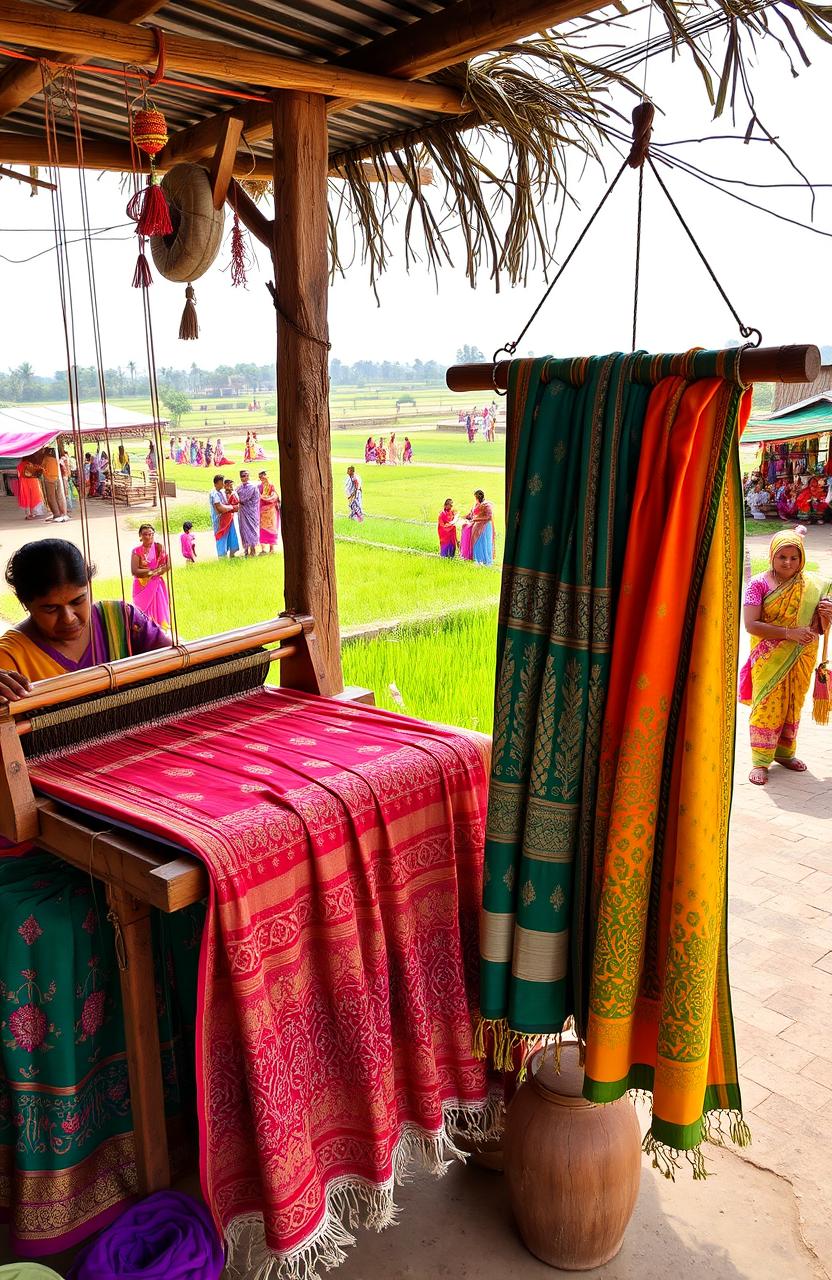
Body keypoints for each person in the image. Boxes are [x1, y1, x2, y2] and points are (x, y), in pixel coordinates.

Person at [0, 540, 201, 1257]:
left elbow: (188, 675)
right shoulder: (10, 662)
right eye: (47, 610)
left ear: (94, 586)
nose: (67, 619)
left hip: (132, 791)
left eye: (76, 601)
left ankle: (188, 1104)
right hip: (50, 820)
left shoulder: (122, 624)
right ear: (23, 605)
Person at [740, 528, 832, 786]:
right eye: (782, 557)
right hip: (769, 658)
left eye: (794, 557)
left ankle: (784, 753)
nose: (788, 563)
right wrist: (788, 633)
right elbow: (751, 625)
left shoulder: (812, 584)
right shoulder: (758, 584)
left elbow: (818, 626)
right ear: (772, 556)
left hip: (801, 656)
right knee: (767, 705)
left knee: (793, 704)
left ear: (801, 558)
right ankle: (760, 760)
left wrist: (826, 612)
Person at [131, 523, 171, 631]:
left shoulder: (159, 548)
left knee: (159, 609)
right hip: (141, 585)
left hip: (156, 584)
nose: (148, 537)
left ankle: (160, 631)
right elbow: (134, 571)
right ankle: (145, 632)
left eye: (151, 534)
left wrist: (160, 571)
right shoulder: (136, 551)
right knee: (142, 611)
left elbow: (168, 564)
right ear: (140, 536)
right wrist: (151, 572)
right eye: (145, 534)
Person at [464, 489, 496, 565]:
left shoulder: (487, 505)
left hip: (485, 527)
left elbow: (489, 517)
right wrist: (466, 517)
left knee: (483, 542)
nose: (475, 499)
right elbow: (472, 513)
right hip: (477, 525)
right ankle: (477, 560)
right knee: (477, 542)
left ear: (478, 497)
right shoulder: (476, 504)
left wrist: (476, 519)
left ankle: (484, 561)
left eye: (475, 497)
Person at [209, 474, 238, 557]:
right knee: (221, 537)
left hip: (227, 518)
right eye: (221, 483)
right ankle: (222, 556)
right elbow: (220, 508)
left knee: (231, 535)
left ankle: (232, 553)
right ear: (216, 484)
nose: (223, 485)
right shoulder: (214, 494)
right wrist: (232, 507)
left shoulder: (221, 491)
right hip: (219, 520)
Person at [40, 448, 69, 522]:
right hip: (56, 478)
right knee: (57, 497)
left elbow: (42, 468)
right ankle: (59, 513)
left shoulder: (46, 459)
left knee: (51, 498)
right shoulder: (55, 459)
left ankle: (56, 514)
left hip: (49, 479)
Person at [236, 469, 261, 557]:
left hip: (251, 511)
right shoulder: (239, 487)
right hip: (242, 512)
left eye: (247, 475)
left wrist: (238, 500)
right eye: (243, 476)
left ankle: (253, 550)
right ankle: (246, 550)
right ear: (240, 477)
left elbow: (242, 498)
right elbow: (236, 497)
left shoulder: (252, 487)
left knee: (252, 529)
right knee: (243, 530)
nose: (245, 477)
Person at [258, 470, 280, 554]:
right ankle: (263, 549)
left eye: (264, 476)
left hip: (271, 511)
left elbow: (275, 496)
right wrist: (263, 498)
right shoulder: (259, 487)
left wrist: (265, 498)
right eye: (261, 476)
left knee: (271, 528)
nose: (263, 478)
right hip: (262, 512)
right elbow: (258, 497)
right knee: (262, 529)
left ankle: (272, 548)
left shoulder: (271, 486)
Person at [16, 454, 44, 520]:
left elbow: (19, 475)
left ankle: (28, 514)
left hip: (23, 483)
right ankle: (33, 513)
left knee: (26, 498)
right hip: (33, 482)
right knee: (34, 497)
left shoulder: (20, 465)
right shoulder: (32, 464)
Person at [223, 478, 242, 555]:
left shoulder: (233, 494)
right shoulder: (221, 494)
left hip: (230, 517)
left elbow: (237, 504)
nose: (230, 488)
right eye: (228, 486)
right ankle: (224, 551)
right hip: (223, 517)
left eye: (231, 486)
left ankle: (232, 552)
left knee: (232, 534)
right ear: (225, 486)